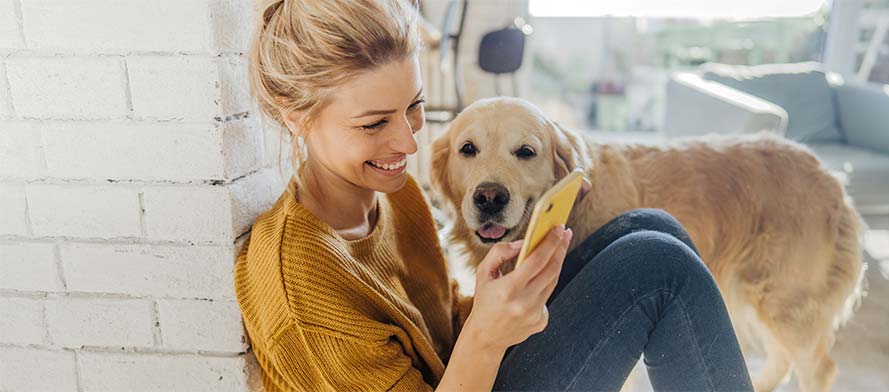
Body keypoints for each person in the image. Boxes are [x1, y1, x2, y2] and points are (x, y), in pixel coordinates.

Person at [234, 0, 754, 390]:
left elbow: (436, 323)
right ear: (296, 117)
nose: (408, 141)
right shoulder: (302, 287)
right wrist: (486, 332)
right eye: (374, 124)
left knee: (648, 228)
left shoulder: (391, 195)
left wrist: (497, 298)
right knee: (655, 264)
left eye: (412, 107)